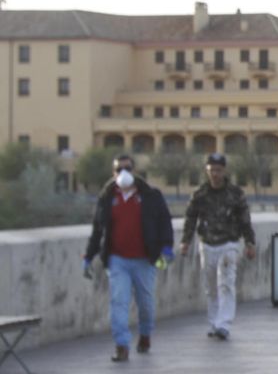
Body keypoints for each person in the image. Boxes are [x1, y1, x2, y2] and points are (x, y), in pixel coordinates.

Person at [83, 154, 175, 362]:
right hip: (117, 260)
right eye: (119, 169)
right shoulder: (107, 198)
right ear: (113, 173)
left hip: (144, 259)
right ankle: (121, 345)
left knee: (145, 303)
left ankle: (145, 334)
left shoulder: (151, 196)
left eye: (127, 168)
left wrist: (167, 248)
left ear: (134, 171)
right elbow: (98, 230)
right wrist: (88, 257)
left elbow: (164, 223)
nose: (123, 173)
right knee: (118, 301)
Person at [178, 152, 256, 341]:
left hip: (229, 242)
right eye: (212, 170)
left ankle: (224, 324)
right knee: (211, 285)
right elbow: (190, 219)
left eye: (218, 170)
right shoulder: (199, 194)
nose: (215, 174)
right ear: (207, 171)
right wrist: (186, 241)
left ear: (224, 171)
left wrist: (250, 242)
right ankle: (214, 322)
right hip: (207, 244)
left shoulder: (235, 194)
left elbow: (245, 220)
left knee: (227, 283)